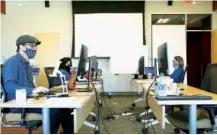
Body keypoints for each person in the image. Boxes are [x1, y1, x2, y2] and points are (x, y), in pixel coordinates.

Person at [2, 35, 74, 134]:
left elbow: (28, 87)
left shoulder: (27, 64)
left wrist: (41, 91)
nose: (35, 49)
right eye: (32, 46)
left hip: (29, 100)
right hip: (18, 105)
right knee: (55, 111)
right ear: (21, 47)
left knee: (67, 108)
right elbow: (9, 87)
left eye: (35, 46)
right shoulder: (12, 63)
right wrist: (33, 90)